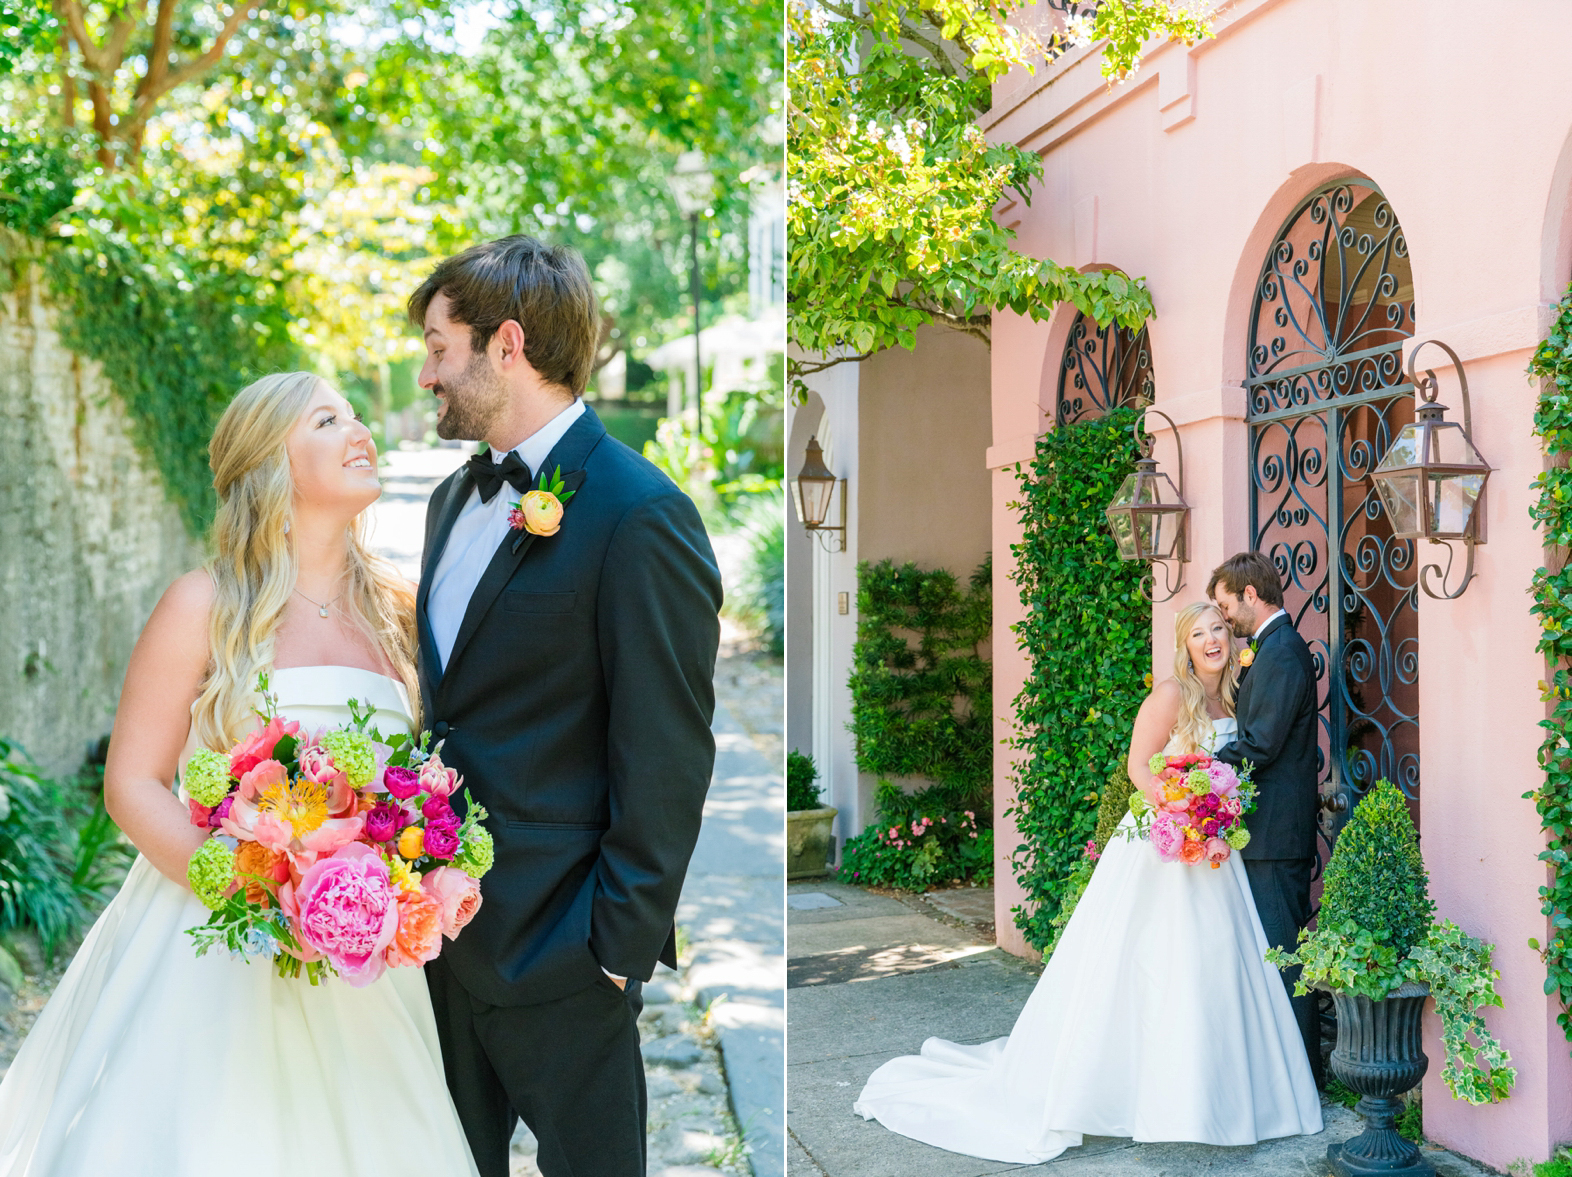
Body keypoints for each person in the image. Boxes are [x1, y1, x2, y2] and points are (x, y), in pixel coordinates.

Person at [0, 372, 479, 1174]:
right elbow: (133, 783)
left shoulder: (397, 609)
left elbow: (414, 784)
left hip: (363, 967)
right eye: (329, 419)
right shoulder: (202, 605)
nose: (359, 429)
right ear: (272, 462)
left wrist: (408, 874)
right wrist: (253, 889)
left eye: (355, 414)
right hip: (219, 940)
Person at [408, 235, 723, 1177]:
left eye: (437, 346)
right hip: (432, 940)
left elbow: (667, 750)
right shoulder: (444, 503)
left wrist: (613, 950)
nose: (426, 374)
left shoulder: (639, 512)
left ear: (505, 345)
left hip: (564, 948)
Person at [852, 601, 1322, 1164]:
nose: (1211, 640)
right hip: (1165, 843)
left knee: (1214, 964)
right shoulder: (1172, 695)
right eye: (1198, 634)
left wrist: (1214, 816)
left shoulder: (1237, 696)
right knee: (1147, 961)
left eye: (1217, 629)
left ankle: (1216, 1096)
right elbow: (1139, 767)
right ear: (1186, 644)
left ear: (1231, 634)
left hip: (1213, 855)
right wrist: (1185, 810)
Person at [1207, 550, 1324, 1088]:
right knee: (1276, 954)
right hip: (1268, 834)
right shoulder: (1272, 648)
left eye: (1225, 605)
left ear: (1250, 595)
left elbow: (1261, 744)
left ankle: (1301, 1078)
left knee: (1284, 959)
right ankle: (1287, 1072)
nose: (1224, 617)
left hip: (1275, 836)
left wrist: (1200, 769)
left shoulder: (1279, 654)